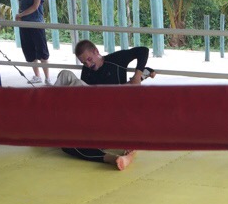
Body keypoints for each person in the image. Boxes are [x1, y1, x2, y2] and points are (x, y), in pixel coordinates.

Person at [54, 39, 156, 170]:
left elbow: (143, 51)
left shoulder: (115, 59)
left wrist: (138, 75)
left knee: (80, 86)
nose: (88, 64)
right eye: (84, 63)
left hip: (110, 118)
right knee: (65, 74)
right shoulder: (87, 70)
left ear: (96, 52)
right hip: (93, 116)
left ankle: (112, 157)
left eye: (89, 59)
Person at [16, 0, 51, 85]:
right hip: (24, 23)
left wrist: (20, 15)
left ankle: (47, 78)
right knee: (29, 51)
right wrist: (20, 16)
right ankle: (37, 76)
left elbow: (35, 6)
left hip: (36, 23)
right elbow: (21, 4)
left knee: (42, 52)